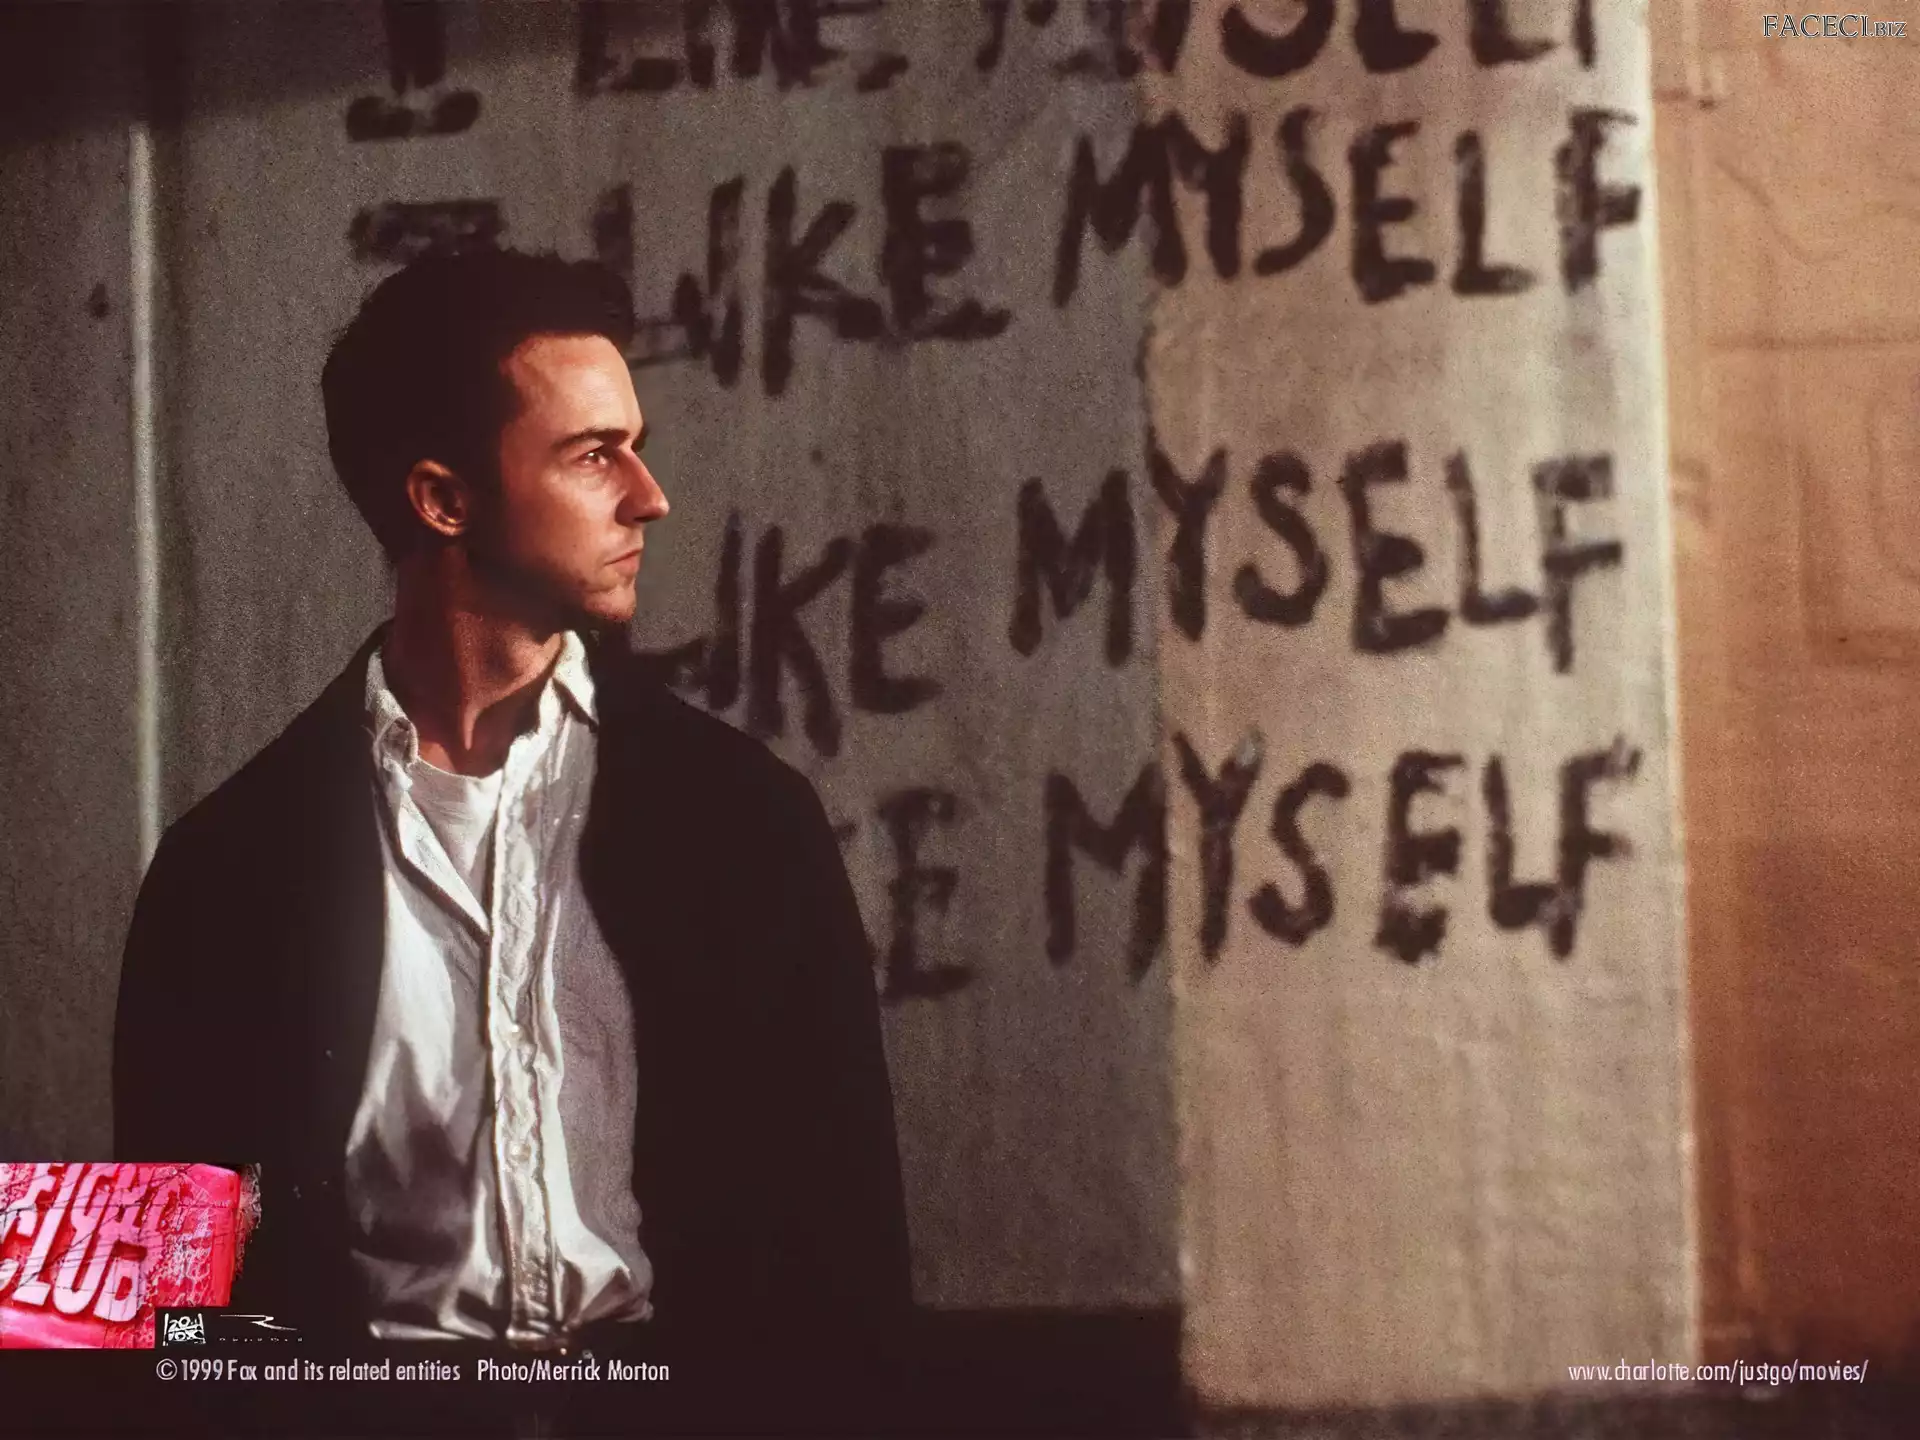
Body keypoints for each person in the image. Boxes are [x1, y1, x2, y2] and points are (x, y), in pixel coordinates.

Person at [112, 249, 912, 1418]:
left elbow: (852, 1262)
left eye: (635, 446)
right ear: (443, 500)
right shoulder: (222, 868)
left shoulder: (748, 822)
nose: (649, 496)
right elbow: (175, 1320)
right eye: (592, 455)